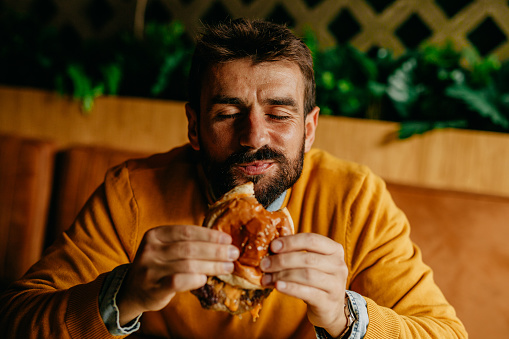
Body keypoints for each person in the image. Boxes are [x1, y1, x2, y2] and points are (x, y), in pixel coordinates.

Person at [0, 18, 467, 339]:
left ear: (309, 130)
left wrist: (346, 316)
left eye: (280, 114)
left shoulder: (353, 197)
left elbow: (444, 333)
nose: (253, 137)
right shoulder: (133, 192)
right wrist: (124, 293)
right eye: (227, 113)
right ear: (194, 127)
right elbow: (16, 320)